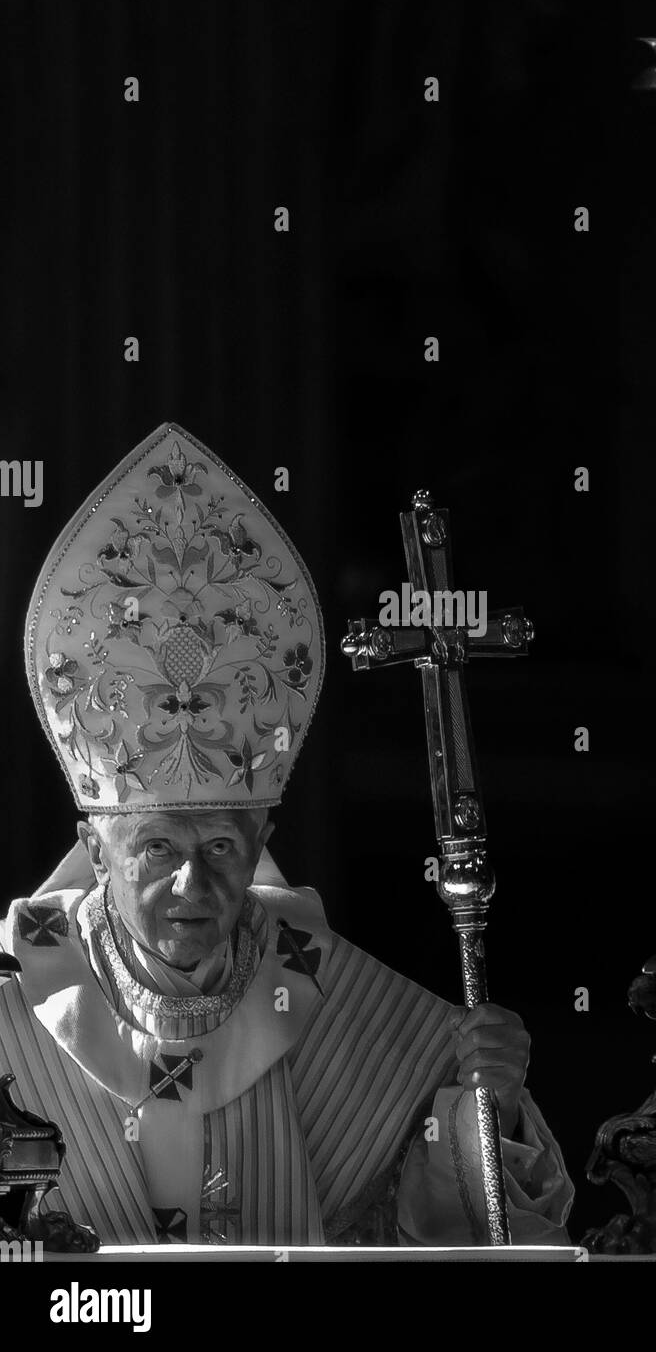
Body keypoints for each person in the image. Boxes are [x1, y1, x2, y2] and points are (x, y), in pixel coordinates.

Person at [1, 422, 573, 1246]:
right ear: (97, 853)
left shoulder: (330, 993)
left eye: (221, 849)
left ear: (263, 833)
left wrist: (490, 1105)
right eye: (157, 847)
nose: (192, 886)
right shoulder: (15, 1007)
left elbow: (453, 1238)